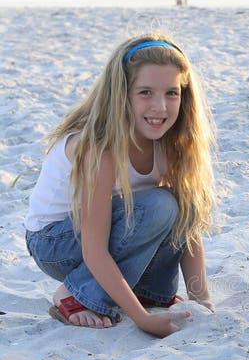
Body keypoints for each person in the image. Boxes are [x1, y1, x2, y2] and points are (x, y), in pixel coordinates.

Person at [25, 34, 217, 338]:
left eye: (171, 93)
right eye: (145, 92)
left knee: (182, 204)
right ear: (122, 94)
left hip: (114, 231)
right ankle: (74, 294)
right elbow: (94, 249)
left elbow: (188, 226)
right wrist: (141, 319)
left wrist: (201, 298)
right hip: (56, 242)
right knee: (159, 205)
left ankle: (148, 291)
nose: (160, 107)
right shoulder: (98, 148)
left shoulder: (171, 144)